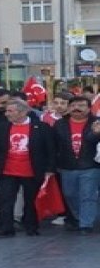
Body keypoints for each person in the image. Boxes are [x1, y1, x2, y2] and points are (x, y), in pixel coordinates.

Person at [0, 99, 55, 237]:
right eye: (7, 111)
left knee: (30, 201)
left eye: (10, 111)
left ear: (23, 112)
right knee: (6, 200)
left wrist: (49, 169)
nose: (7, 114)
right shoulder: (2, 127)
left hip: (32, 170)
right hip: (8, 170)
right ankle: (5, 228)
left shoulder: (41, 127)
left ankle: (31, 226)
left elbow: (50, 149)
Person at [52, 95, 100, 233]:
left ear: (89, 108)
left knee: (88, 195)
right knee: (69, 194)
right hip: (68, 165)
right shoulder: (60, 124)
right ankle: (80, 217)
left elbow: (92, 141)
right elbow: (55, 145)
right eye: (73, 106)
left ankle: (86, 223)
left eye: (81, 106)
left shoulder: (96, 122)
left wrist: (96, 133)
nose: (76, 109)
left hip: (90, 165)